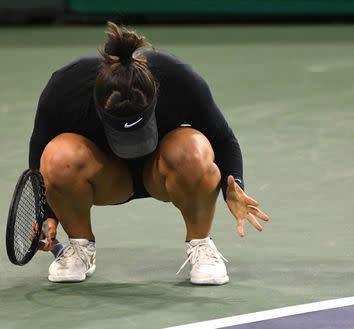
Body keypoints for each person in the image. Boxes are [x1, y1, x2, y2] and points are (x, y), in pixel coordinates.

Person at [29, 22, 269, 285]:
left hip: (161, 171)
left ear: (155, 98)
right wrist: (47, 214)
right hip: (106, 176)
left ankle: (201, 244)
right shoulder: (66, 87)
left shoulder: (178, 79)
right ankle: (80, 248)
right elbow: (39, 149)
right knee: (57, 156)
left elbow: (223, 139)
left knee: (193, 149)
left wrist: (233, 186)